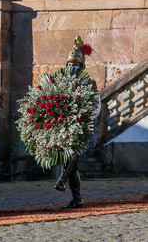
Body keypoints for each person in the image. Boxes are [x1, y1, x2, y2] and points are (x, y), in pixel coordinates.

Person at [53, 36, 101, 209]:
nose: (72, 67)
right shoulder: (60, 83)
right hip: (64, 126)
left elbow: (96, 108)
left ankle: (62, 180)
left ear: (81, 67)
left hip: (81, 126)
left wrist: (81, 117)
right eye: (70, 65)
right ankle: (77, 199)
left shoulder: (89, 84)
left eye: (75, 65)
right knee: (71, 163)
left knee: (72, 156)